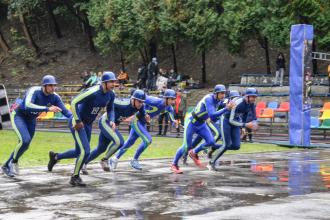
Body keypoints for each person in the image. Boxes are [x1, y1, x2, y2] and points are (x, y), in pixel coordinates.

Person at [47, 71, 117, 186]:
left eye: (114, 82)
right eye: (111, 82)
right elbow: (74, 102)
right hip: (77, 122)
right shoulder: (93, 91)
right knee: (86, 151)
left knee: (78, 152)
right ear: (104, 83)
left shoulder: (111, 94)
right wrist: (78, 120)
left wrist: (112, 120)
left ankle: (55, 157)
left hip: (87, 124)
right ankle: (75, 177)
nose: (113, 84)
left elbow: (111, 109)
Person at [2, 75, 72, 177]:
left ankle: (5, 166)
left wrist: (77, 120)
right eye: (50, 85)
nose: (53, 88)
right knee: (24, 140)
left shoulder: (55, 97)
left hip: (31, 120)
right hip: (19, 116)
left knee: (25, 145)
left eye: (54, 85)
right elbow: (28, 105)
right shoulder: (34, 91)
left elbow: (66, 112)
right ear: (44, 86)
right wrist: (47, 109)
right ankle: (13, 162)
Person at [108, 89, 178, 171]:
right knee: (148, 140)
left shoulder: (170, 108)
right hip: (136, 120)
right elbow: (139, 98)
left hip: (142, 123)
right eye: (172, 99)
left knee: (130, 142)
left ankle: (114, 159)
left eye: (174, 99)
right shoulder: (155, 101)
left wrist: (174, 122)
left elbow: (172, 119)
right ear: (166, 98)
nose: (173, 101)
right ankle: (134, 159)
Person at [171, 85, 233, 174]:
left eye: (224, 93)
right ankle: (174, 164)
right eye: (222, 93)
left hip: (201, 123)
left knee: (211, 141)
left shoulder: (219, 100)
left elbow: (215, 115)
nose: (223, 95)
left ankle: (194, 152)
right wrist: (226, 108)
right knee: (186, 146)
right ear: (216, 93)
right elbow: (212, 115)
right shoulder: (209, 98)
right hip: (191, 122)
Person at [84, 89, 147, 172]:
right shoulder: (123, 103)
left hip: (112, 125)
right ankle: (104, 160)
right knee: (119, 142)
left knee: (101, 148)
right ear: (133, 99)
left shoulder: (140, 107)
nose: (141, 104)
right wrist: (112, 119)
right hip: (105, 122)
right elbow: (111, 103)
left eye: (142, 102)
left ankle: (83, 163)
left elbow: (142, 114)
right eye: (139, 101)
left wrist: (145, 117)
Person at [210, 88, 258, 171]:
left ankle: (214, 147)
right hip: (226, 120)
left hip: (236, 121)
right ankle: (211, 162)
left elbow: (252, 117)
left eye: (255, 97)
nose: (254, 98)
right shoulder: (238, 103)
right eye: (252, 96)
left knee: (236, 146)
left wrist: (251, 125)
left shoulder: (251, 104)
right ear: (247, 96)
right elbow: (230, 120)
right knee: (226, 145)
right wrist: (245, 125)